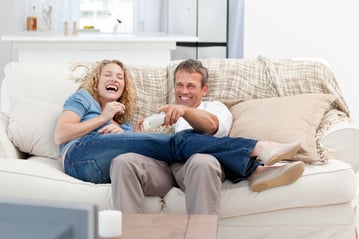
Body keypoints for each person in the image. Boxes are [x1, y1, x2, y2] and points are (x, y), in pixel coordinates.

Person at [54, 59, 304, 210]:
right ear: (97, 80)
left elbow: (209, 127)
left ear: (204, 89)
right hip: (79, 155)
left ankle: (257, 159)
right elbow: (61, 135)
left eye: (119, 76)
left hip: (101, 167)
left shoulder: (212, 108)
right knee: (176, 142)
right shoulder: (83, 99)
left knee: (175, 145)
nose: (114, 79)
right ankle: (256, 158)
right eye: (108, 74)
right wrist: (103, 118)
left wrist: (130, 133)